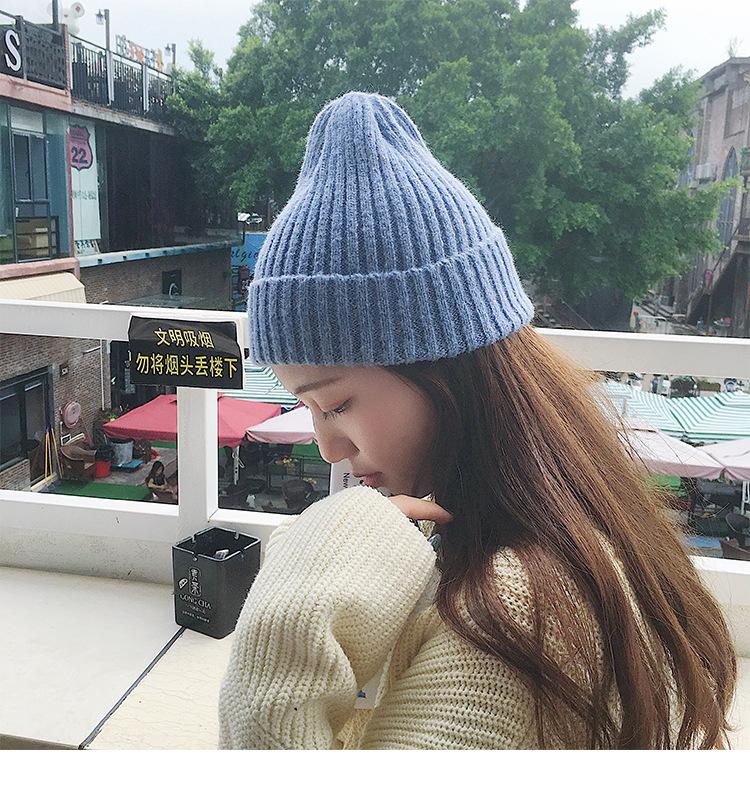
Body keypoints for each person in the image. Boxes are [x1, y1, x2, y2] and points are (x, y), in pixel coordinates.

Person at [218, 92, 736, 750]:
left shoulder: (510, 628)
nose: (327, 447)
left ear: (446, 369)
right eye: (307, 408)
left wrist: (285, 631)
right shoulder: (578, 527)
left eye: (337, 405)